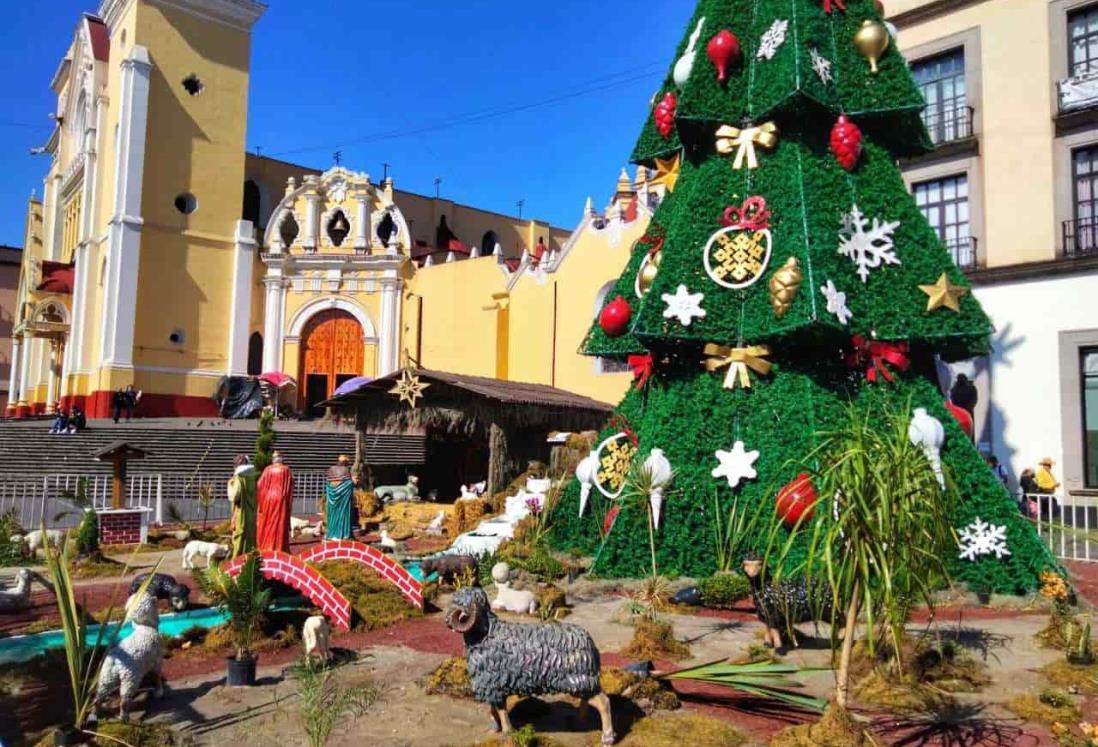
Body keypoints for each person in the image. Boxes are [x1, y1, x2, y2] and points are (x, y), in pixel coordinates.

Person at [256, 450, 294, 553]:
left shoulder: (267, 469)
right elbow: (290, 485)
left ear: (273, 459)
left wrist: (263, 497)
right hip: (280, 499)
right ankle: (279, 547)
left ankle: (266, 546)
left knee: (268, 522)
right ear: (281, 459)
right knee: (279, 523)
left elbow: (259, 484)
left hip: (268, 498)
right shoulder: (286, 469)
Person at [227, 454, 257, 558]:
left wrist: (230, 485)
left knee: (239, 538)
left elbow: (234, 496)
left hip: (240, 513)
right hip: (252, 512)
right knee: (250, 538)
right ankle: (250, 560)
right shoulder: (253, 477)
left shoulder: (239, 477)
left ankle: (237, 563)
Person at [324, 454, 355, 541]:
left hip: (332, 499)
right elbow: (347, 484)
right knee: (343, 515)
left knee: (332, 516)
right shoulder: (346, 470)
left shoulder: (331, 469)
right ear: (345, 463)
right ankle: (343, 535)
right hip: (343, 501)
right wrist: (352, 482)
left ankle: (332, 534)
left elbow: (329, 484)